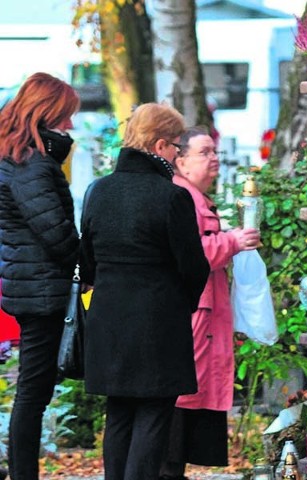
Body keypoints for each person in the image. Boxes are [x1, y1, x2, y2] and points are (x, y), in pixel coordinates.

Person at [79, 104, 210, 480]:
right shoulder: (171, 196)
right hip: (157, 318)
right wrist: (181, 302)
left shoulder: (98, 191)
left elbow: (85, 260)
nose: (176, 155)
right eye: (174, 147)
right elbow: (193, 265)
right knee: (154, 413)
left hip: (108, 316)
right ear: (157, 145)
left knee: (118, 412)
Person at [159, 127, 260, 480]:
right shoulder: (181, 196)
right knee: (183, 396)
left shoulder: (195, 197)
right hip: (195, 316)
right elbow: (192, 255)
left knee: (192, 395)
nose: (213, 158)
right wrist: (231, 241)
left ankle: (175, 470)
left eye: (214, 151)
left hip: (206, 313)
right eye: (204, 152)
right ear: (180, 160)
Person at [0, 72, 80, 480]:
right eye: (66, 117)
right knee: (33, 392)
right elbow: (56, 233)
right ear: (46, 113)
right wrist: (85, 257)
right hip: (42, 289)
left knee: (33, 390)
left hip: (28, 284)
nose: (70, 126)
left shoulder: (16, 157)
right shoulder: (31, 165)